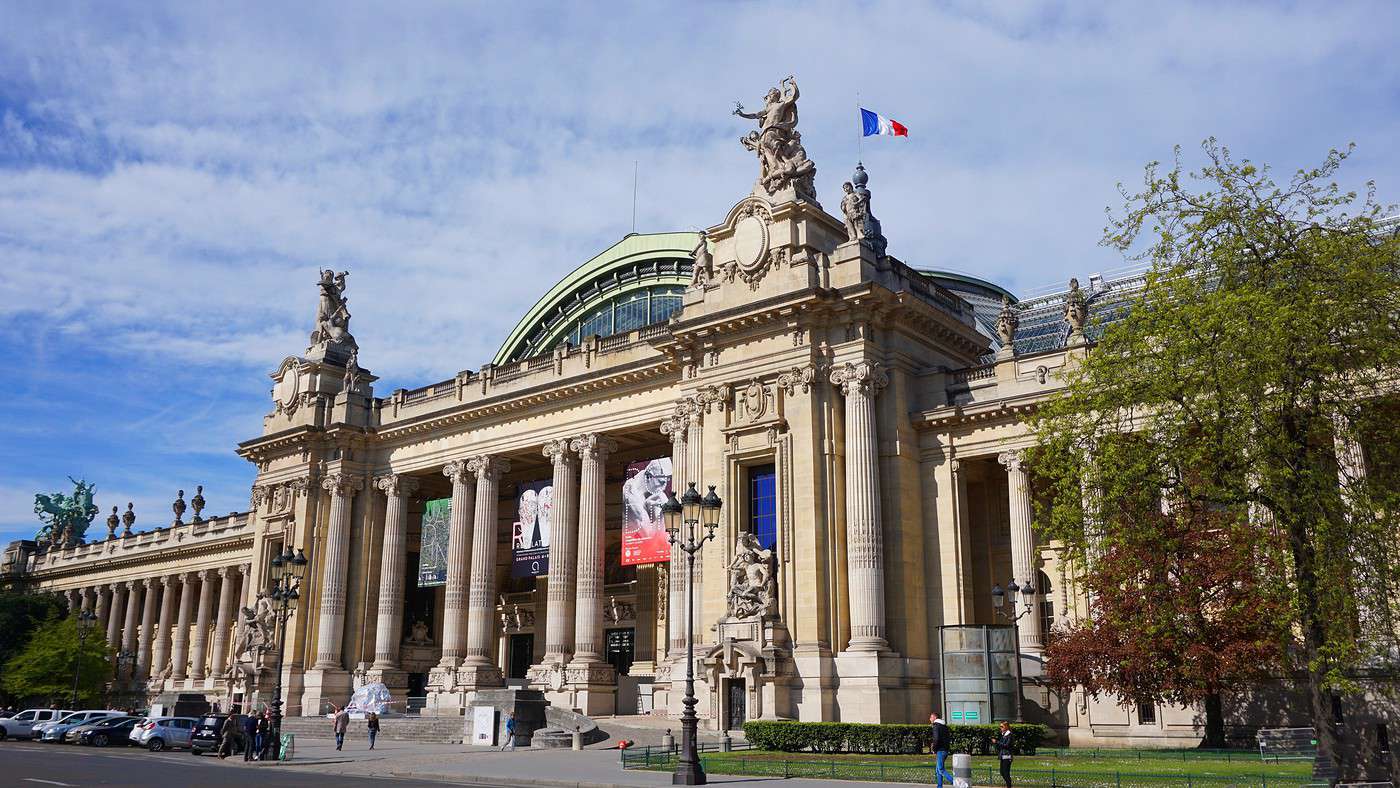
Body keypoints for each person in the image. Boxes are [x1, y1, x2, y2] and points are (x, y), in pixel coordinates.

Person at [930, 712, 955, 787]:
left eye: (931, 717)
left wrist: (934, 748)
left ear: (935, 717)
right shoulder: (944, 726)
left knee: (941, 769)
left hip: (940, 750)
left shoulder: (936, 726)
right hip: (945, 749)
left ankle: (955, 782)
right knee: (938, 770)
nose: (930, 719)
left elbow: (936, 739)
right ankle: (939, 786)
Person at [997, 721, 1014, 787]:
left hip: (1007, 756)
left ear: (1006, 727)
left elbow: (1006, 745)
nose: (1000, 728)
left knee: (1006, 773)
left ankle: (1009, 785)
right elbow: (1001, 745)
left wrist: (997, 742)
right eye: (1000, 726)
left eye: (1002, 726)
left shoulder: (1009, 735)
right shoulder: (1003, 735)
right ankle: (1009, 784)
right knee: (1002, 772)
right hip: (1003, 756)